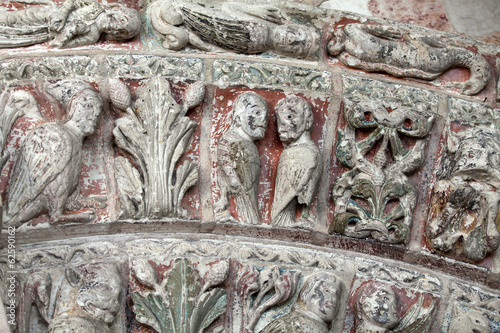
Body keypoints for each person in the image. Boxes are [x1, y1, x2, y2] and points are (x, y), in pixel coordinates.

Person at [149, 0, 319, 59]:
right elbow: (227, 7)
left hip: (212, 35)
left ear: (290, 55)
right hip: (211, 19)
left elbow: (219, 49)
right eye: (298, 34)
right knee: (175, 9)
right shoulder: (266, 22)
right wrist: (254, 10)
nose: (292, 39)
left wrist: (195, 41)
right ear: (292, 25)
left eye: (298, 46)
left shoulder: (260, 51)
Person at [215, 92, 268, 224]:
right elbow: (236, 183)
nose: (264, 119)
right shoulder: (238, 143)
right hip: (245, 210)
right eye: (256, 113)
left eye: (265, 115)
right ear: (238, 118)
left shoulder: (245, 144)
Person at [0, 0, 140, 48]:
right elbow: (72, 2)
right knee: (11, 19)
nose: (117, 27)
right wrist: (63, 13)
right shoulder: (95, 7)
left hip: (42, 33)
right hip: (46, 16)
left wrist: (70, 31)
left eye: (122, 31)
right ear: (118, 12)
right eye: (122, 21)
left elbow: (58, 44)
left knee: (10, 34)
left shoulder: (92, 36)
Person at [271, 95, 322, 228]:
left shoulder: (297, 153)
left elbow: (282, 203)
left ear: (308, 121)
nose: (282, 125)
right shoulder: (306, 152)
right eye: (278, 120)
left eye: (289, 117)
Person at [261, 272, 344, 333]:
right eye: (326, 291)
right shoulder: (294, 323)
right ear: (305, 294)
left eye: (337, 295)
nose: (333, 299)